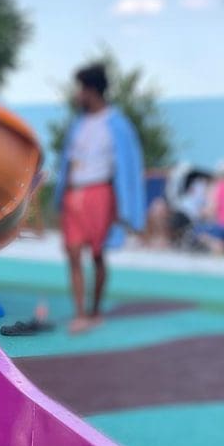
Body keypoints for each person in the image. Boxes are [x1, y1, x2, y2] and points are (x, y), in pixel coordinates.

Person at [54, 62, 146, 333]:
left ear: (91, 90)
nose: (77, 95)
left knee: (96, 254)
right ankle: (80, 312)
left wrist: (125, 206)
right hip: (75, 193)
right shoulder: (78, 125)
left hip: (100, 193)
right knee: (72, 251)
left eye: (80, 89)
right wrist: (63, 195)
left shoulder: (117, 124)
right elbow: (68, 162)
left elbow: (128, 167)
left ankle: (95, 311)